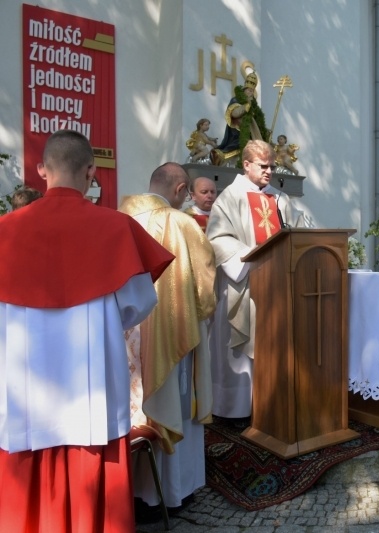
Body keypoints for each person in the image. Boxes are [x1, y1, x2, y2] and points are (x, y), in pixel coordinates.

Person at [0, 130, 173, 532]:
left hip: (24, 391)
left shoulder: (6, 232)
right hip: (91, 395)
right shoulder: (115, 228)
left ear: (42, 170)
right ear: (92, 171)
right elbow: (139, 304)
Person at [119, 163, 217, 513]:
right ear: (180, 189)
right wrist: (202, 312)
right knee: (174, 402)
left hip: (124, 334)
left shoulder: (121, 217)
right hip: (173, 333)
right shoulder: (182, 224)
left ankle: (134, 491)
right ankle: (173, 491)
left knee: (131, 404)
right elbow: (205, 285)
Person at [206, 140, 291, 417]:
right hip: (244, 284)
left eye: (272, 166)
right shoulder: (229, 198)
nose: (269, 171)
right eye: (263, 166)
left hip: (276, 286)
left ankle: (269, 405)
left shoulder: (280, 198)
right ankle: (235, 409)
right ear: (246, 165)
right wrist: (251, 256)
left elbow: (297, 231)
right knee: (240, 352)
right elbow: (217, 239)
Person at [213, 71, 267, 164]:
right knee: (238, 145)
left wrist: (264, 131)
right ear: (244, 89)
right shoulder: (236, 100)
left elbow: (257, 121)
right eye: (249, 90)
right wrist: (246, 105)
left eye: (252, 91)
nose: (250, 92)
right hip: (237, 132)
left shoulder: (254, 106)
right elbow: (234, 113)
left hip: (250, 132)